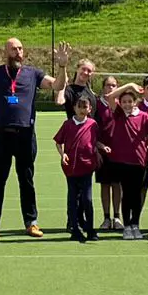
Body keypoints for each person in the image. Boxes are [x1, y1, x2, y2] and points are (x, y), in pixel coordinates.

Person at [0, 36, 57, 239]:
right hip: (1, 135)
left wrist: (62, 66)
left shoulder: (33, 73)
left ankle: (31, 223)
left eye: (20, 48)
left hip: (25, 135)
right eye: (13, 49)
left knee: (26, 180)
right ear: (5, 52)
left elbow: (57, 84)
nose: (18, 52)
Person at [101, 81, 148, 240]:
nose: (127, 104)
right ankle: (127, 225)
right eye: (124, 102)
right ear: (120, 104)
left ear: (135, 102)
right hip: (121, 162)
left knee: (137, 195)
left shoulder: (144, 117)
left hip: (140, 162)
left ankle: (135, 224)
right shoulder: (119, 114)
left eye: (130, 101)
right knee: (126, 194)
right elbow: (110, 96)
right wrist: (129, 86)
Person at [55, 94, 102, 242]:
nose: (82, 110)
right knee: (72, 199)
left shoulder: (93, 124)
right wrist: (62, 155)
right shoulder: (67, 124)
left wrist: (102, 148)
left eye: (85, 107)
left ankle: (90, 228)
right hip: (71, 168)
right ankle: (74, 228)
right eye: (79, 107)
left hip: (87, 167)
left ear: (90, 109)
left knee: (87, 199)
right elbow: (58, 142)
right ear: (74, 108)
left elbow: (95, 142)